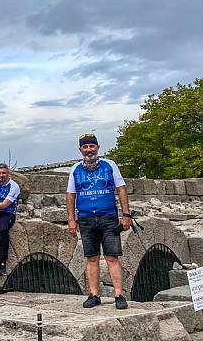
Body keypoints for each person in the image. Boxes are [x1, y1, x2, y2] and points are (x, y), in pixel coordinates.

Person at [66, 133, 131, 310]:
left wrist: (126, 215)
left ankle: (119, 294)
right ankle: (94, 294)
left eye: (91, 146)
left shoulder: (110, 165)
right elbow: (71, 195)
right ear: (80, 150)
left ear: (97, 147)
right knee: (91, 258)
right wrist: (71, 219)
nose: (89, 150)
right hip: (86, 218)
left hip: (108, 217)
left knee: (112, 257)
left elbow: (121, 189)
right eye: (85, 147)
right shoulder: (75, 169)